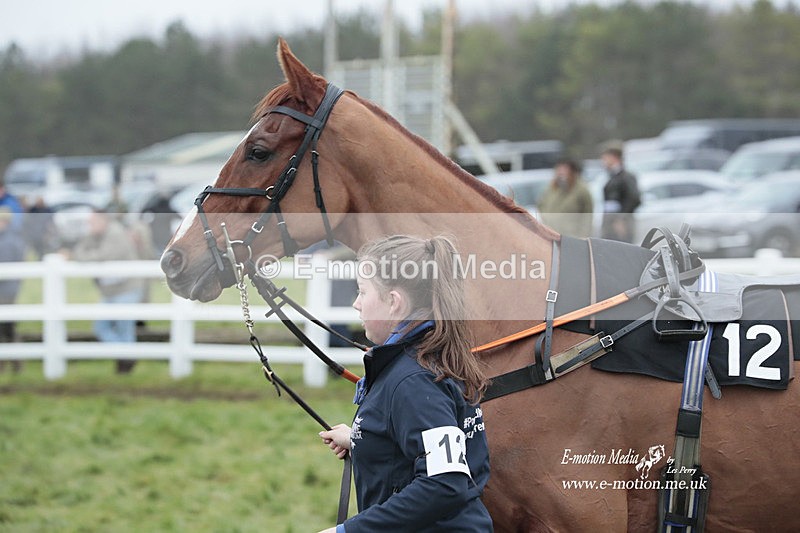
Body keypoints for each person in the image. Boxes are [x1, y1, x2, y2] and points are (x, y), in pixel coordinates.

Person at [317, 235, 492, 532]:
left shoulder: (413, 380)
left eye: (362, 292)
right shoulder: (428, 358)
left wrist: (348, 531)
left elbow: (445, 483)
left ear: (394, 303)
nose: (356, 304)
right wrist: (363, 439)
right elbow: (424, 446)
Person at [70, 209, 146, 374]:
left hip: (126, 289)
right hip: (111, 291)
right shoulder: (97, 234)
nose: (89, 226)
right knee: (101, 328)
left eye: (92, 222)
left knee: (123, 328)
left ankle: (125, 362)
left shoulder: (115, 233)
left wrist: (83, 255)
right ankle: (126, 357)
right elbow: (79, 252)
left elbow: (100, 256)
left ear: (103, 220)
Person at [536, 158, 595, 238]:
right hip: (551, 235)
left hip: (572, 236)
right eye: (559, 169)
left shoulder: (581, 190)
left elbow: (587, 216)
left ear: (572, 172)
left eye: (564, 169)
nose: (561, 172)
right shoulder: (551, 189)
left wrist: (583, 237)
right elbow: (541, 206)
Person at [0, 207, 26, 373]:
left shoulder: (8, 241)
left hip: (5, 291)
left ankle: (12, 365)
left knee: (6, 329)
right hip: (8, 290)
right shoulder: (11, 238)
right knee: (7, 328)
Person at [600, 146, 640, 243]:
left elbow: (634, 199)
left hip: (621, 223)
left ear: (614, 158)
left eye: (605, 158)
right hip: (611, 222)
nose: (603, 162)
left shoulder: (626, 177)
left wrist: (621, 219)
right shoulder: (612, 176)